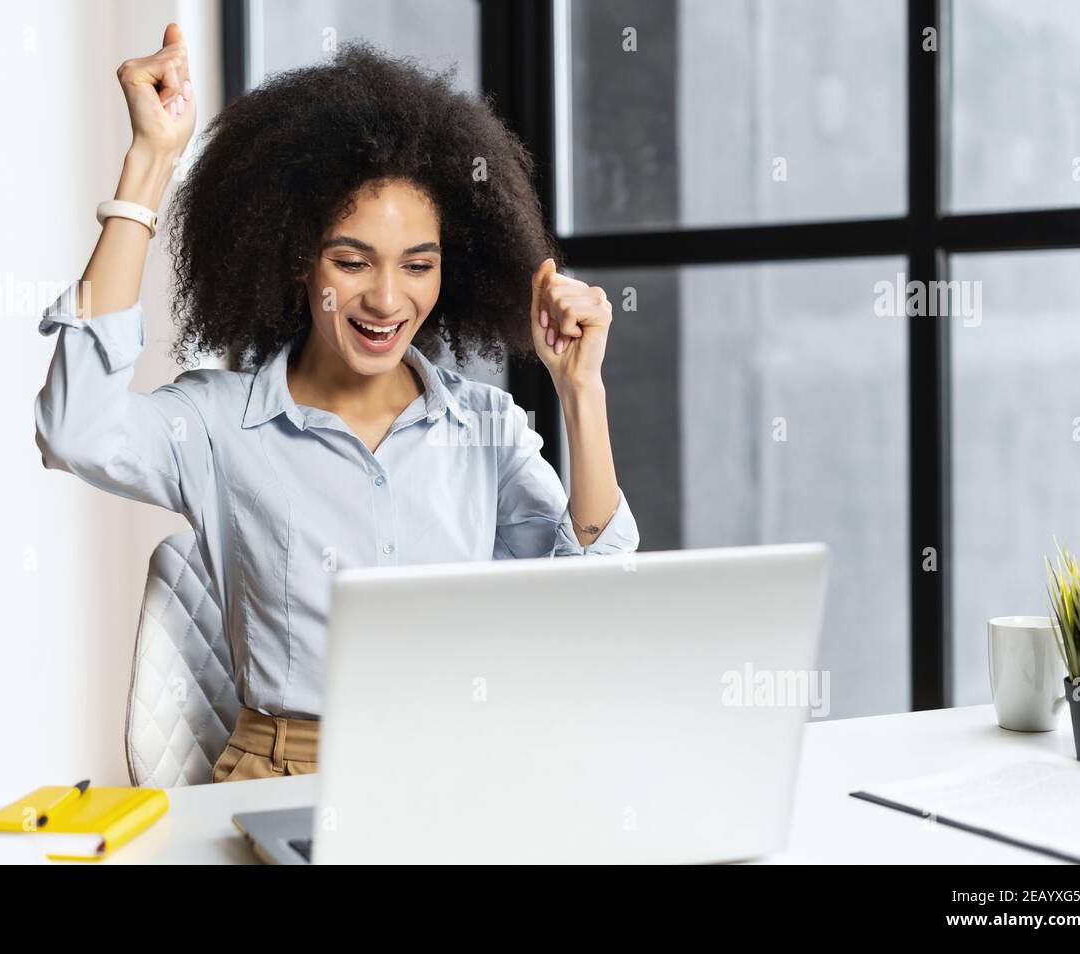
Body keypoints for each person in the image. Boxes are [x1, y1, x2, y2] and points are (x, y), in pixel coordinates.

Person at [34, 23, 640, 783]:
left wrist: (581, 391)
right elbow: (75, 428)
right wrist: (151, 164)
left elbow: (595, 593)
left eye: (418, 265)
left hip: (460, 769)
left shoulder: (483, 429)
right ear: (296, 257)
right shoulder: (222, 425)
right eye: (351, 261)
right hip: (287, 774)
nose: (387, 298)